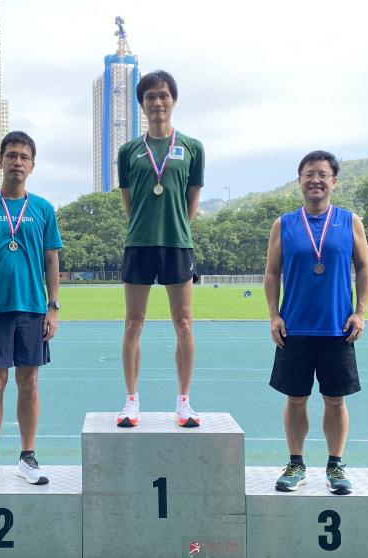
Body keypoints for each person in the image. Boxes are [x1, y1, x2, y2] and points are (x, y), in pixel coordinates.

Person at [0, 131, 63, 487]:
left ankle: (27, 457)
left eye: (24, 157)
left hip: (33, 308)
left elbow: (52, 260)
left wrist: (53, 307)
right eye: (12, 155)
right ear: (0, 160)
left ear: (32, 165)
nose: (17, 161)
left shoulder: (44, 209)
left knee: (29, 382)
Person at [264, 150, 368, 495]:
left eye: (323, 174)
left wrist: (361, 311)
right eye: (309, 173)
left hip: (338, 328)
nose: (316, 180)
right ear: (299, 180)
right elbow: (272, 272)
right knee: (296, 399)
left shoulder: (349, 221)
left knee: (335, 400)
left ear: (333, 181)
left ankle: (335, 465)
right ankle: (296, 463)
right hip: (294, 328)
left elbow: (365, 268)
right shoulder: (284, 224)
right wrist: (273, 315)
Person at [115, 70, 205, 428]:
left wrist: (175, 227)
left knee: (183, 322)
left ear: (173, 100)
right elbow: (128, 202)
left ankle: (184, 402)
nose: (157, 102)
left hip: (177, 244)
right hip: (138, 243)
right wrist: (146, 226)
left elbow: (191, 202)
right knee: (133, 323)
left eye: (164, 95)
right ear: (142, 104)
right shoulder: (129, 151)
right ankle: (131, 400)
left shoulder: (193, 148)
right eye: (150, 96)